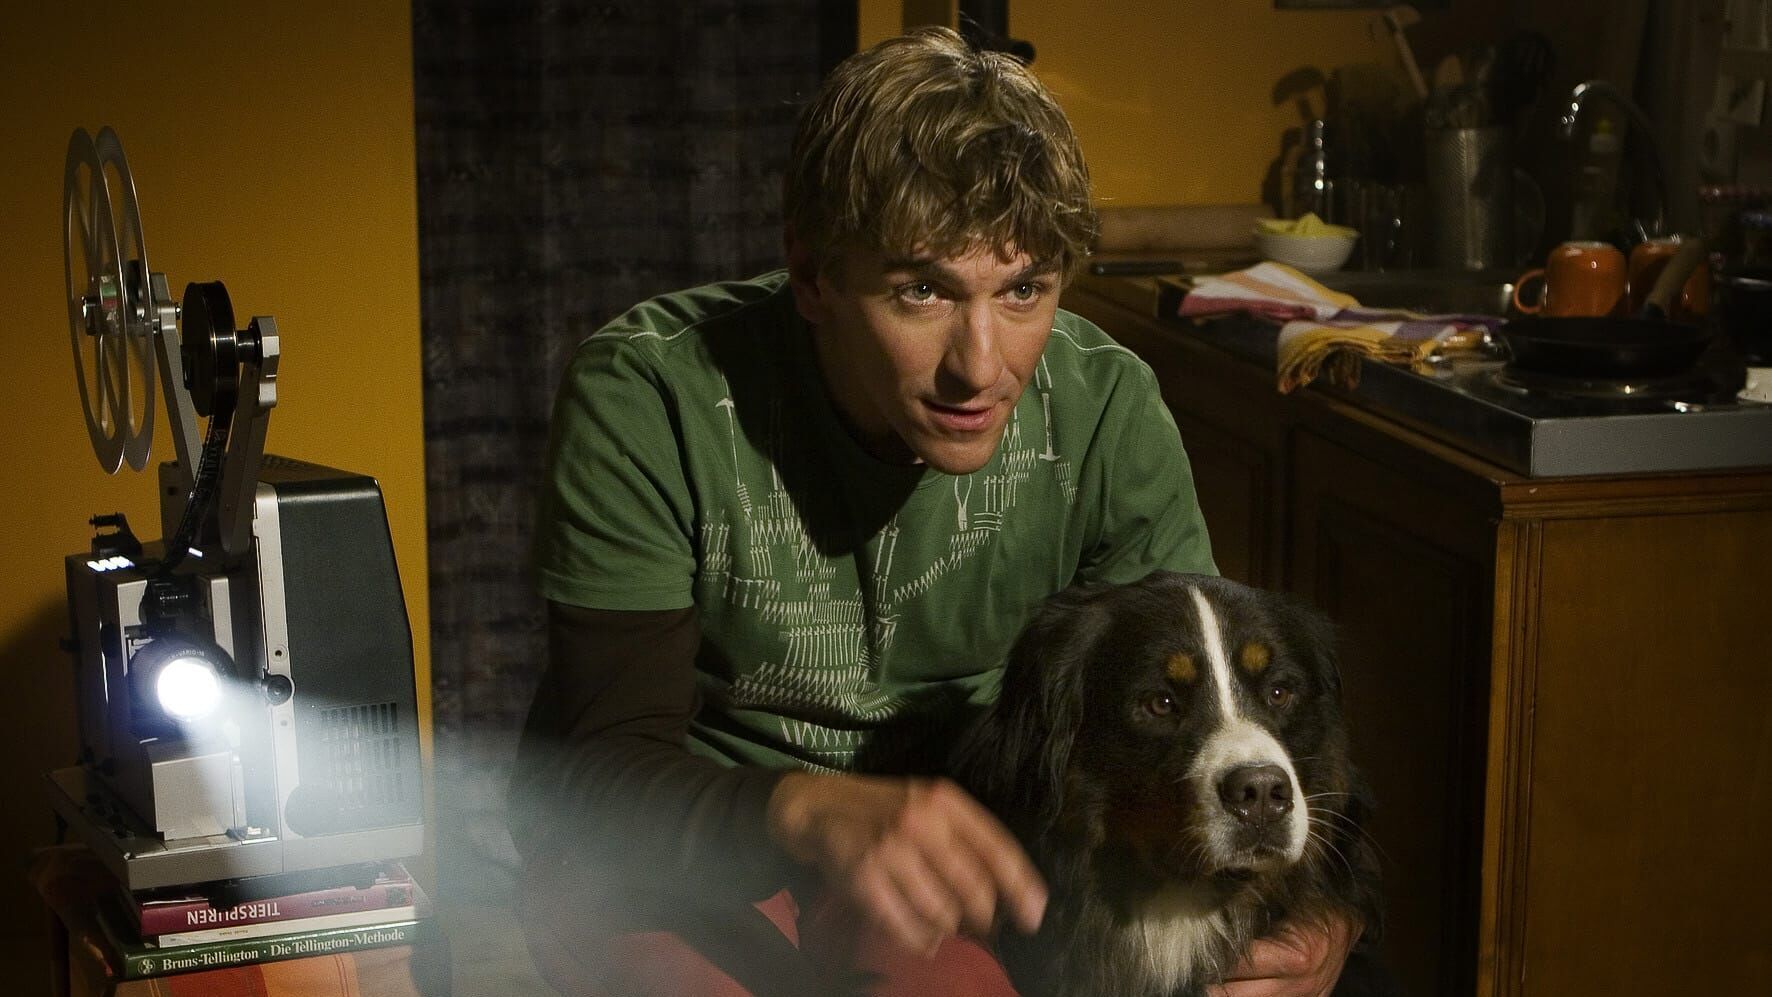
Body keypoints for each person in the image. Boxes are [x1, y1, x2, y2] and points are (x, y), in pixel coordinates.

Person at [510, 26, 1359, 997]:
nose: (980, 364)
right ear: (813, 274)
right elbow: (602, 778)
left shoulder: (1106, 408)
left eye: (1023, 290)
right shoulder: (650, 394)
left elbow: (1199, 734)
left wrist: (1322, 913)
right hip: (682, 854)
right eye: (923, 290)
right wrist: (809, 810)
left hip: (949, 861)